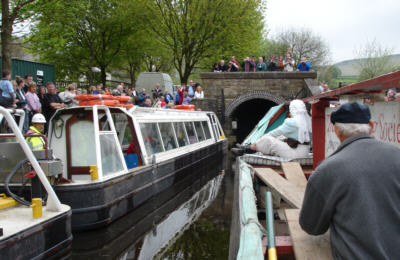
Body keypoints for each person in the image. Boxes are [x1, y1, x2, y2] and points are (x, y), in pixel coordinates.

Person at [299, 102, 400, 259]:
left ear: (337, 130)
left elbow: (312, 226)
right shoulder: (397, 156)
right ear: (371, 126)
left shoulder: (327, 170)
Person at [232, 100, 311, 158]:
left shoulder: (292, 122)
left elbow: (274, 133)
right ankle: (247, 148)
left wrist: (259, 140)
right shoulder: (308, 121)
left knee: (268, 139)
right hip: (304, 152)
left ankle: (247, 149)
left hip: (295, 154)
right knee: (280, 138)